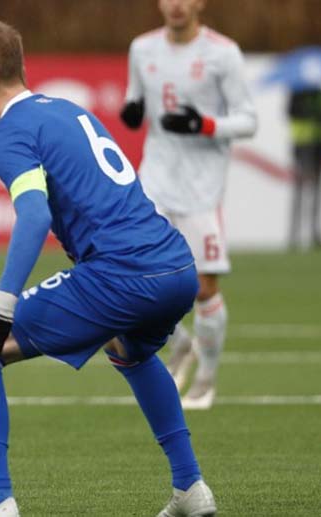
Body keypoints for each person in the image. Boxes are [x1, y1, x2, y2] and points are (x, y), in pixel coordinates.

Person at [0, 20, 216, 517]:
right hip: (177, 266)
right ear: (21, 66)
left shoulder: (8, 134)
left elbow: (34, 216)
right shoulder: (70, 111)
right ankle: (190, 489)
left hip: (124, 273)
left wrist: (0, 306)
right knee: (130, 351)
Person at [120, 0, 257, 410]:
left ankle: (206, 380)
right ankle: (179, 342)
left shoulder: (222, 53)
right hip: (156, 178)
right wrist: (132, 111)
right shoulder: (142, 49)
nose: (177, 5)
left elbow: (249, 119)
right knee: (135, 274)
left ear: (200, 3)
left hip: (201, 188)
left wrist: (205, 124)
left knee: (203, 288)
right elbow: (135, 99)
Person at [287, 88, 321, 249]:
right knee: (300, 191)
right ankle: (295, 235)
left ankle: (313, 233)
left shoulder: (314, 91)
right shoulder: (298, 92)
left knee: (314, 193)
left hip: (316, 147)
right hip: (302, 146)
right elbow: (291, 112)